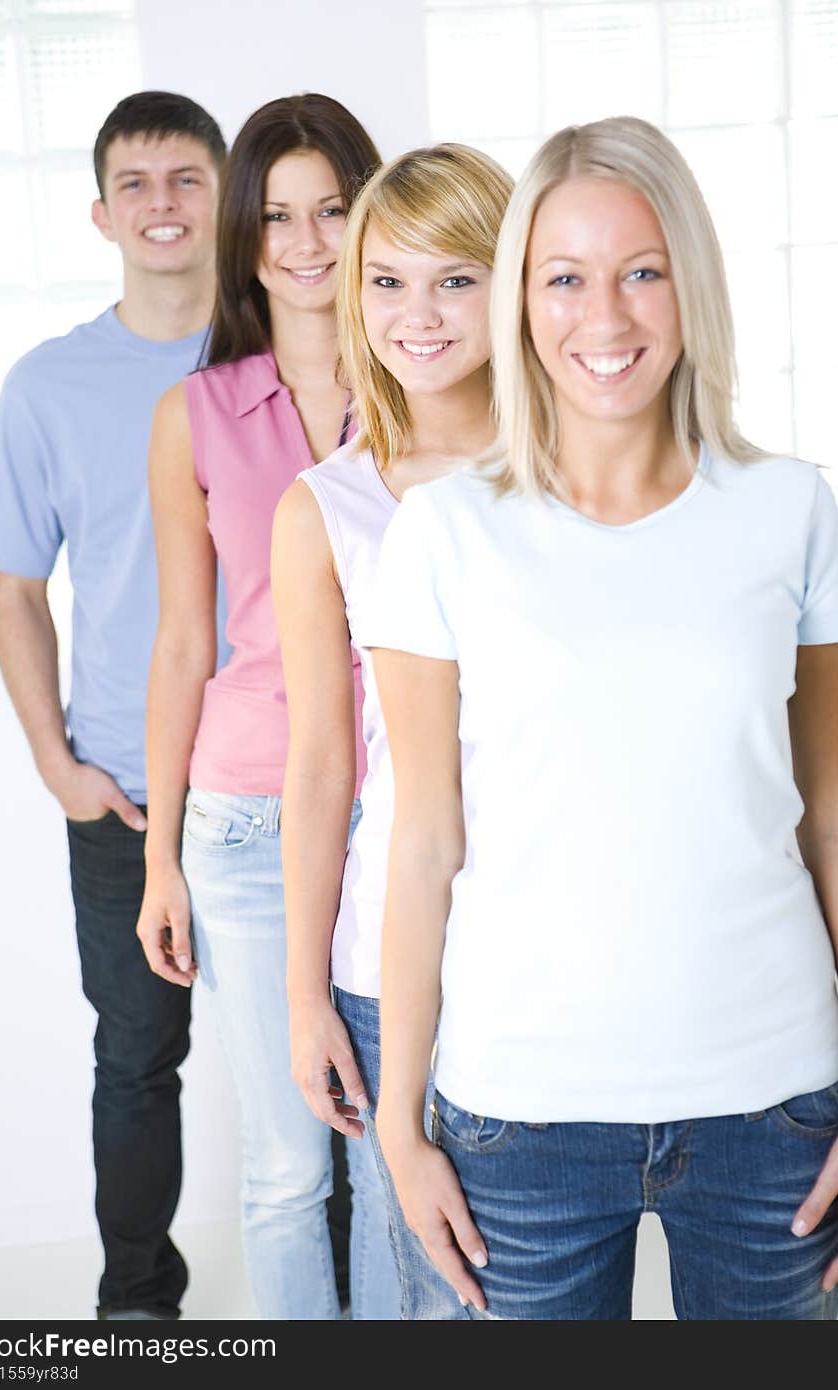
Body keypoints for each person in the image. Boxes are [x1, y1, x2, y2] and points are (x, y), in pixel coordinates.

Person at [366, 116, 838, 1320]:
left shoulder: (794, 511)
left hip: (774, 1106)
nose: (606, 316)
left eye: (641, 270)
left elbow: (827, 811)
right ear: (522, 299)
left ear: (691, 283)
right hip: (519, 1113)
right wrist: (397, 1121)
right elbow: (423, 840)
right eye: (563, 278)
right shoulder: (444, 531)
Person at [0, 92, 226, 1320]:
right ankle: (135, 1312)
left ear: (225, 194)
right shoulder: (51, 384)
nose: (162, 203)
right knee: (135, 1063)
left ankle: (344, 1297)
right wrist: (59, 765)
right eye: (138, 183)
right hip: (124, 789)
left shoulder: (292, 354)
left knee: (337, 1060)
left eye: (186, 178)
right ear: (101, 211)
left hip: (297, 775)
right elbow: (15, 592)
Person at [136, 93, 396, 1321]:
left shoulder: (430, 385)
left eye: (334, 210)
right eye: (278, 216)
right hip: (242, 822)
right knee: (289, 1167)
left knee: (401, 1144)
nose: (306, 242)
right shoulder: (190, 415)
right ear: (245, 237)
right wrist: (158, 857)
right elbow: (183, 637)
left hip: (398, 812)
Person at [271, 144, 512, 1320]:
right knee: (413, 1289)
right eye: (386, 280)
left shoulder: (583, 476)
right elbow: (321, 764)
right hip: (382, 959)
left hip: (548, 953)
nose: (417, 315)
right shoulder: (328, 504)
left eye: (455, 279)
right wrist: (305, 990)